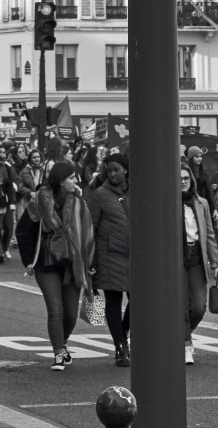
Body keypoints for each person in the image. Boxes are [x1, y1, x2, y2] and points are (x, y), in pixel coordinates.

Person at [31, 159, 94, 372]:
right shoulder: (39, 200)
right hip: (46, 262)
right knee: (55, 310)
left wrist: (90, 263)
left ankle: (62, 342)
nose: (75, 181)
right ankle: (58, 352)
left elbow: (87, 234)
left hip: (72, 262)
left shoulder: (78, 203)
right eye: (71, 177)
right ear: (60, 181)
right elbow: (25, 230)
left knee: (70, 313)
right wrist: (29, 260)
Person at [86, 152, 130, 365]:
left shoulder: (135, 190)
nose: (112, 173)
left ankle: (122, 333)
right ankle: (120, 346)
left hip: (134, 255)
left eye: (116, 169)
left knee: (138, 300)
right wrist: (90, 259)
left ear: (126, 170)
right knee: (113, 301)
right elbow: (91, 228)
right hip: (109, 254)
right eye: (109, 170)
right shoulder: (100, 194)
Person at [180, 159, 218, 366]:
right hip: (175, 258)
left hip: (197, 255)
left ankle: (180, 336)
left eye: (186, 178)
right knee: (181, 305)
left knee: (198, 307)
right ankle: (185, 344)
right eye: (179, 179)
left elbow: (210, 235)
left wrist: (216, 262)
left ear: (192, 180)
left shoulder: (202, 203)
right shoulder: (168, 202)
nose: (183, 182)